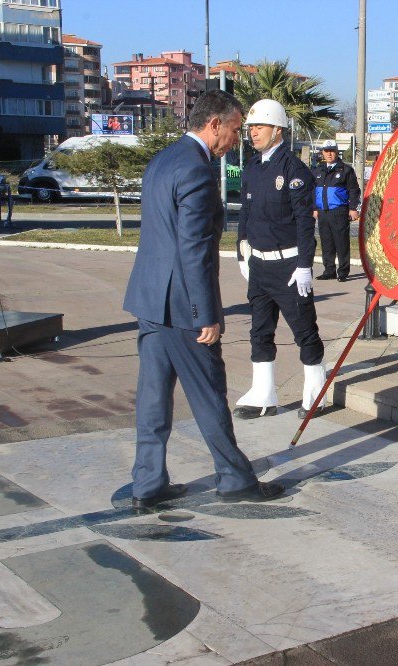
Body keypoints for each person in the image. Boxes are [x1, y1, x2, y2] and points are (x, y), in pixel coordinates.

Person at [123, 90, 283, 510]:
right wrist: (206, 314)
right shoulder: (195, 170)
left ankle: (147, 483)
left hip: (150, 300)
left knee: (153, 400)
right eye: (233, 130)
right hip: (181, 307)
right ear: (214, 124)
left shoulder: (162, 159)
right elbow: (193, 248)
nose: (236, 140)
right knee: (210, 393)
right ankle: (234, 479)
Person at [233, 99, 327, 421]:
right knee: (259, 331)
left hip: (288, 267)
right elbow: (245, 213)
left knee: (304, 331)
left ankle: (316, 390)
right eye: (250, 127)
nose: (252, 132)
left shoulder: (294, 169)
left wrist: (304, 265)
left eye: (259, 126)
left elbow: (304, 222)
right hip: (259, 265)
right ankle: (264, 393)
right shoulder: (253, 168)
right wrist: (241, 249)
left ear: (277, 129)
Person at [311, 139, 360, 282]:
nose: (329, 154)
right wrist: (314, 208)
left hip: (338, 211)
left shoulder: (345, 170)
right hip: (322, 212)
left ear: (337, 152)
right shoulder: (318, 171)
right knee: (326, 242)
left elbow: (354, 190)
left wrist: (353, 208)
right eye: (326, 151)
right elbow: (313, 191)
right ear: (322, 153)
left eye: (332, 150)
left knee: (341, 242)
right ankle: (329, 270)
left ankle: (343, 271)